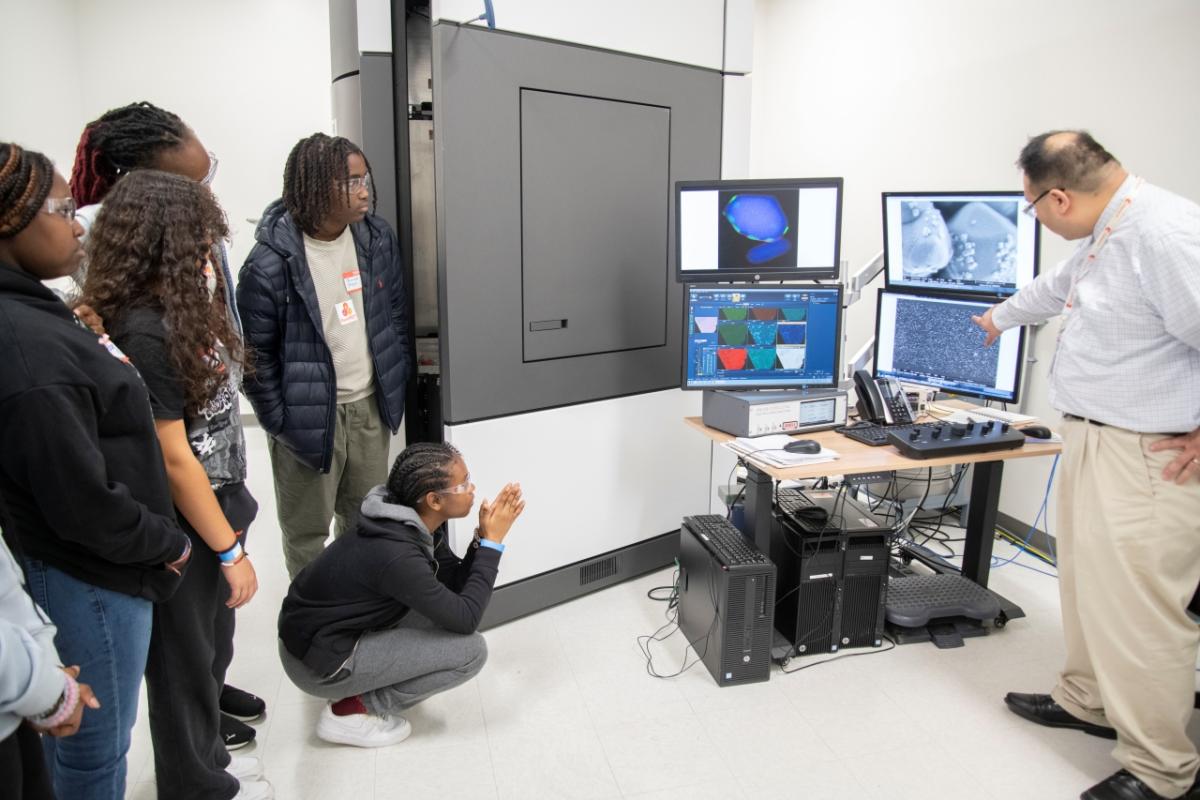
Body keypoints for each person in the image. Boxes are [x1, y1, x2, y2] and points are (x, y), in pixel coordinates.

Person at [973, 130, 1200, 800]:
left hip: (1148, 456)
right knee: (1089, 588)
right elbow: (1056, 288)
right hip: (1097, 440)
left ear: (1060, 196)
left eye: (1031, 205)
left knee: (1139, 612)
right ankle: (1088, 702)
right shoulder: (1111, 228)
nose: (1033, 215)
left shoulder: (1164, 235)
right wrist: (996, 319)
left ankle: (1164, 771)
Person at [69, 100, 265, 748]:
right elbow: (172, 453)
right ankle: (196, 758)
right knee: (186, 646)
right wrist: (230, 550)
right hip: (187, 496)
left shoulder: (175, 299)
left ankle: (207, 705)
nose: (213, 254)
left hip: (216, 479)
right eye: (203, 239)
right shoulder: (145, 323)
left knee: (210, 634)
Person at [0, 142, 190, 800]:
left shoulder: (35, 313)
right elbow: (79, 500)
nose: (78, 224)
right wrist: (166, 542)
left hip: (95, 562)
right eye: (61, 209)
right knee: (91, 753)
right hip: (89, 575)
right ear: (10, 220)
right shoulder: (26, 349)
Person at [237, 133, 411, 580]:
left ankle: (359, 613)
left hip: (370, 409)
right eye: (350, 181)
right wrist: (281, 422)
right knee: (307, 535)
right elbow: (256, 360)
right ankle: (314, 627)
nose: (364, 189)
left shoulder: (376, 238)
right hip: (309, 418)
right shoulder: (269, 263)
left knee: (367, 523)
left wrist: (396, 376)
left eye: (364, 178)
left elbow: (393, 313)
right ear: (315, 187)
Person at [277, 443, 523, 747]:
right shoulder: (396, 554)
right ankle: (351, 712)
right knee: (470, 652)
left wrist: (482, 540)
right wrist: (493, 545)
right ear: (434, 500)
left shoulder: (409, 519)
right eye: (463, 484)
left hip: (322, 634)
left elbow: (455, 586)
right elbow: (466, 619)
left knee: (443, 612)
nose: (472, 489)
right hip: (316, 664)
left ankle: (363, 688)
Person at [1, 527, 101, 800]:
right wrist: (53, 694)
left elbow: (7, 589)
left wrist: (51, 670)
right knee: (96, 756)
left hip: (14, 721)